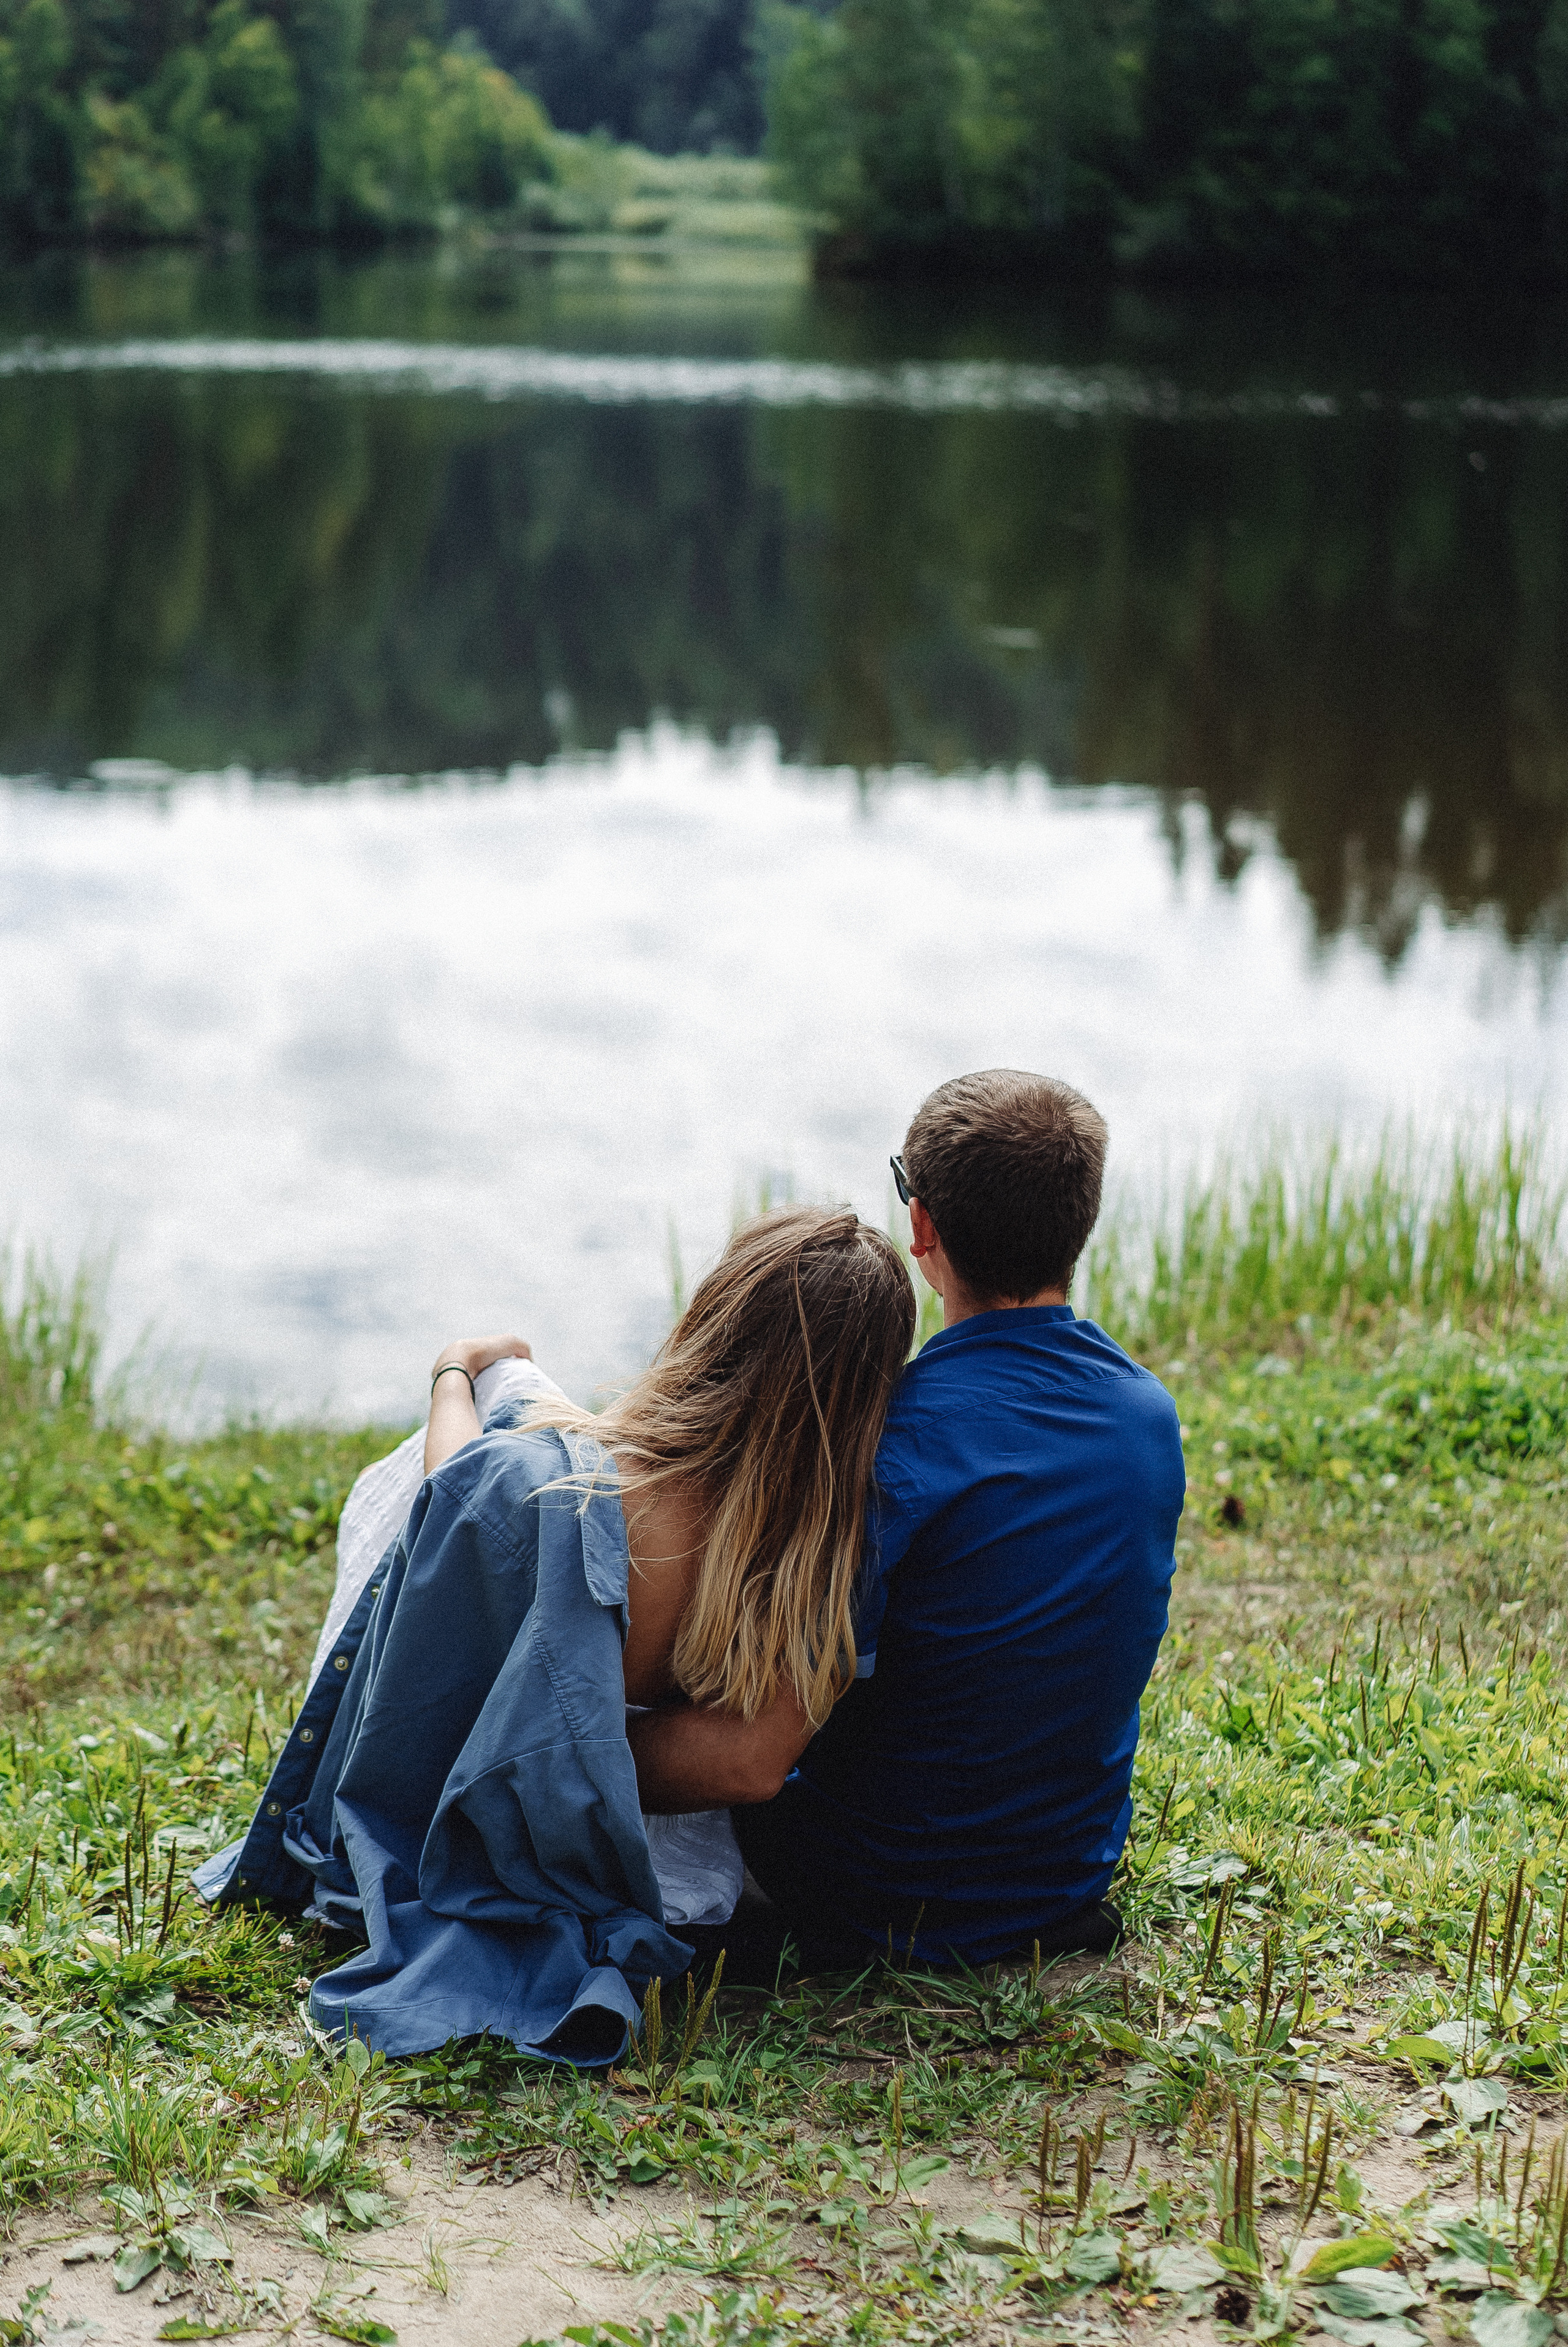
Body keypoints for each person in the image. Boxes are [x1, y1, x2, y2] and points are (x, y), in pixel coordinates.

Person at [197, 1204, 916, 2058]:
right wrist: (589, 1768)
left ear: (712, 1323)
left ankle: (489, 1376)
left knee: (476, 1453)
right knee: (523, 1426)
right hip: (657, 1851)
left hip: (495, 1790)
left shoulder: (563, 1488)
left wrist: (454, 1376)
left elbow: (453, 1504)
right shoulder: (824, 1549)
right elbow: (751, 1765)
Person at [630, 1069, 1188, 1978]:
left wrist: (565, 1744)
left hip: (873, 1898)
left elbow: (750, 1762)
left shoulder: (889, 1446)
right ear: (1078, 1227)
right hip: (1060, 1882)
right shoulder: (1147, 1417)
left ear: (921, 1226)